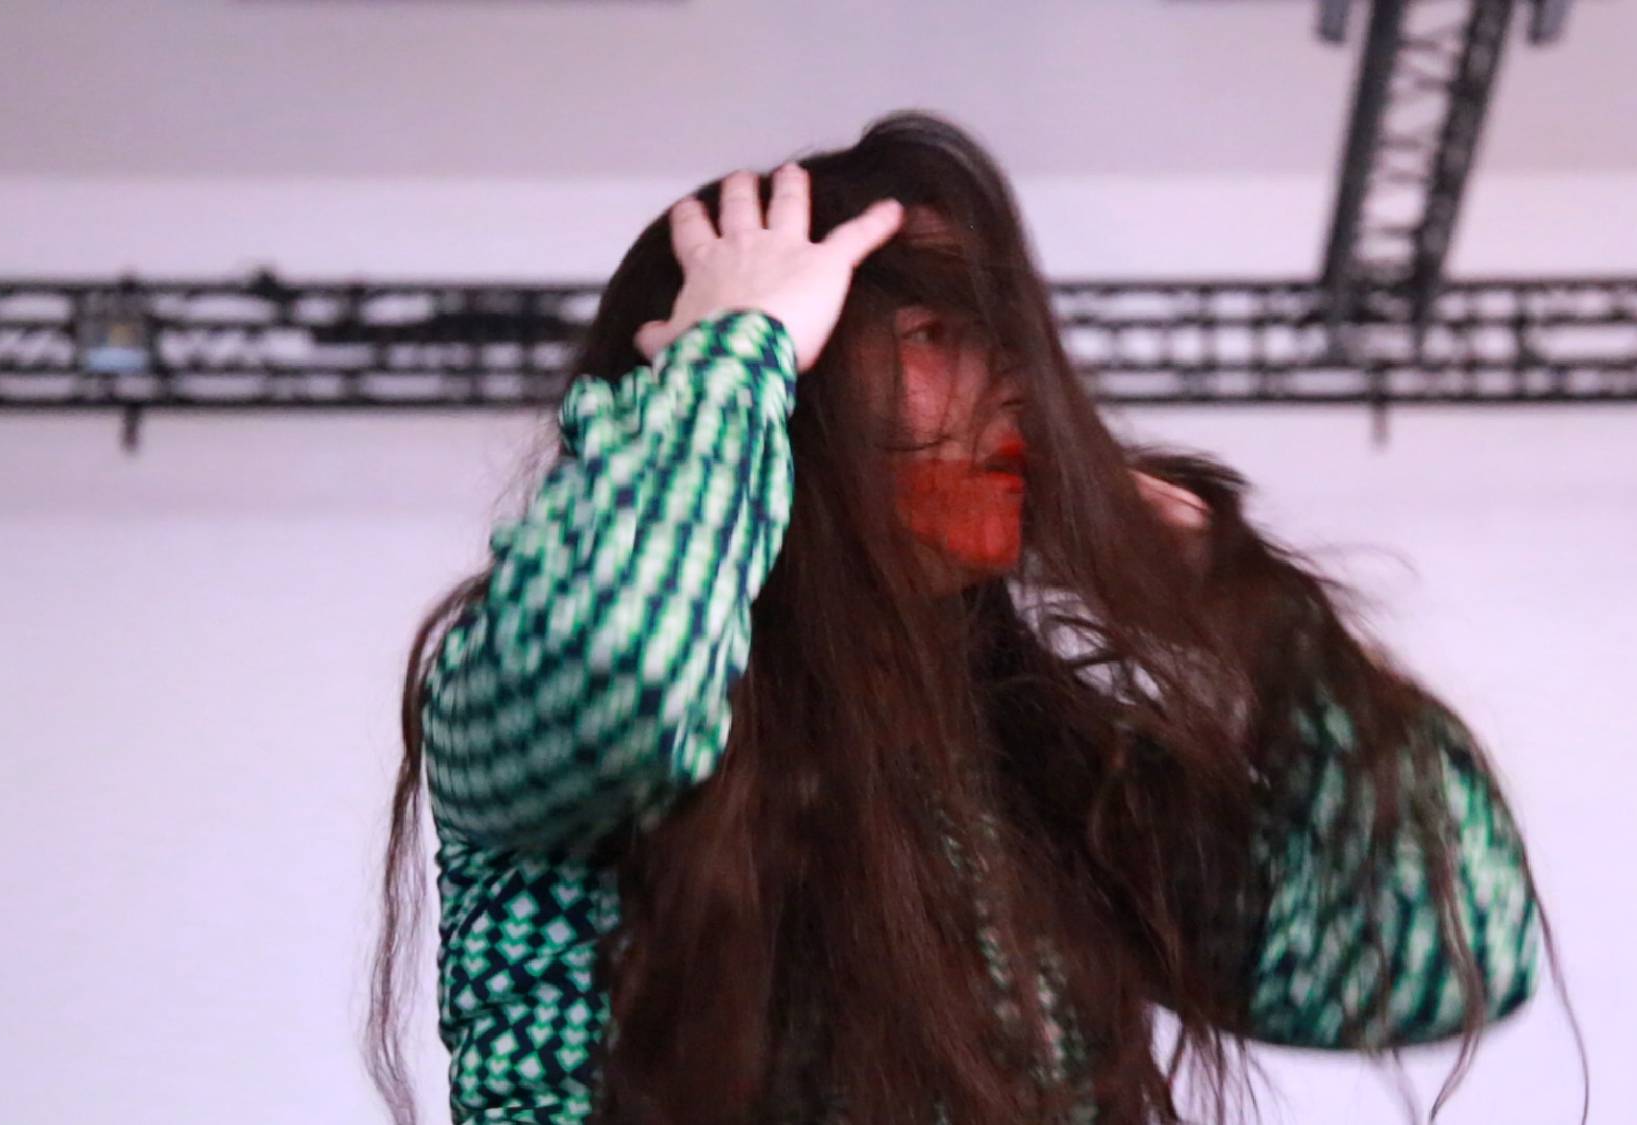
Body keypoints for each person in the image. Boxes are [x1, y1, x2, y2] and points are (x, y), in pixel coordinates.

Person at [367, 110, 1550, 1125]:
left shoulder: (1039, 761)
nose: (1015, 382)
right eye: (935, 335)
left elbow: (1435, 959)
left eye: (1007, 339)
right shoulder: (522, 666)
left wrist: (1262, 626)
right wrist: (733, 355)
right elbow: (619, 678)